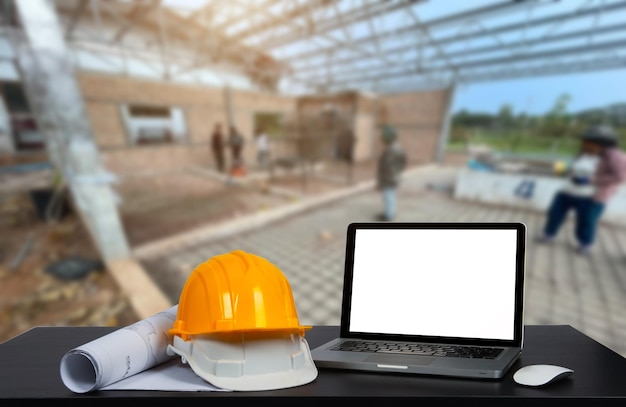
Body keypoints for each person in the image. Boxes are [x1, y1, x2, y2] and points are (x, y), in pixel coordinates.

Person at [539, 125, 626, 254]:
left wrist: (590, 181)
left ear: (603, 144)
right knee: (554, 213)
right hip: (568, 191)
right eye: (585, 141)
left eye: (590, 142)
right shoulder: (582, 153)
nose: (585, 144)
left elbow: (620, 177)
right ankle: (549, 234)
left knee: (586, 220)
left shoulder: (616, 157)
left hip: (591, 196)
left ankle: (585, 244)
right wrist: (566, 172)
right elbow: (576, 168)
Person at [376, 124, 407, 221]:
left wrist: (381, 181)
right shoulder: (397, 147)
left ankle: (388, 215)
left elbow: (386, 166)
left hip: (389, 177)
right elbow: (403, 163)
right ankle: (389, 212)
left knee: (388, 195)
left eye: (384, 137)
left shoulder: (392, 149)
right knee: (390, 195)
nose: (383, 139)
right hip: (394, 176)